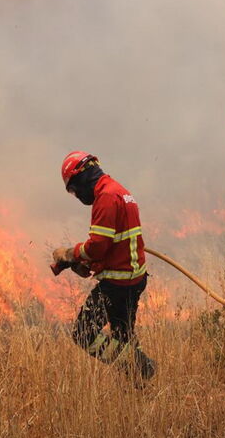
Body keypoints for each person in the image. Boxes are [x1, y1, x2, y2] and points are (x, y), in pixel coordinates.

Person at [52, 151, 155, 383]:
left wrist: (69, 253)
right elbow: (113, 245)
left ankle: (139, 366)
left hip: (117, 285)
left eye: (73, 190)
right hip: (132, 280)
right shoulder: (119, 191)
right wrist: (89, 264)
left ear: (81, 177)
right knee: (123, 336)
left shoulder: (106, 198)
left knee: (83, 334)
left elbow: (98, 245)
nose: (77, 195)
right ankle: (136, 384)